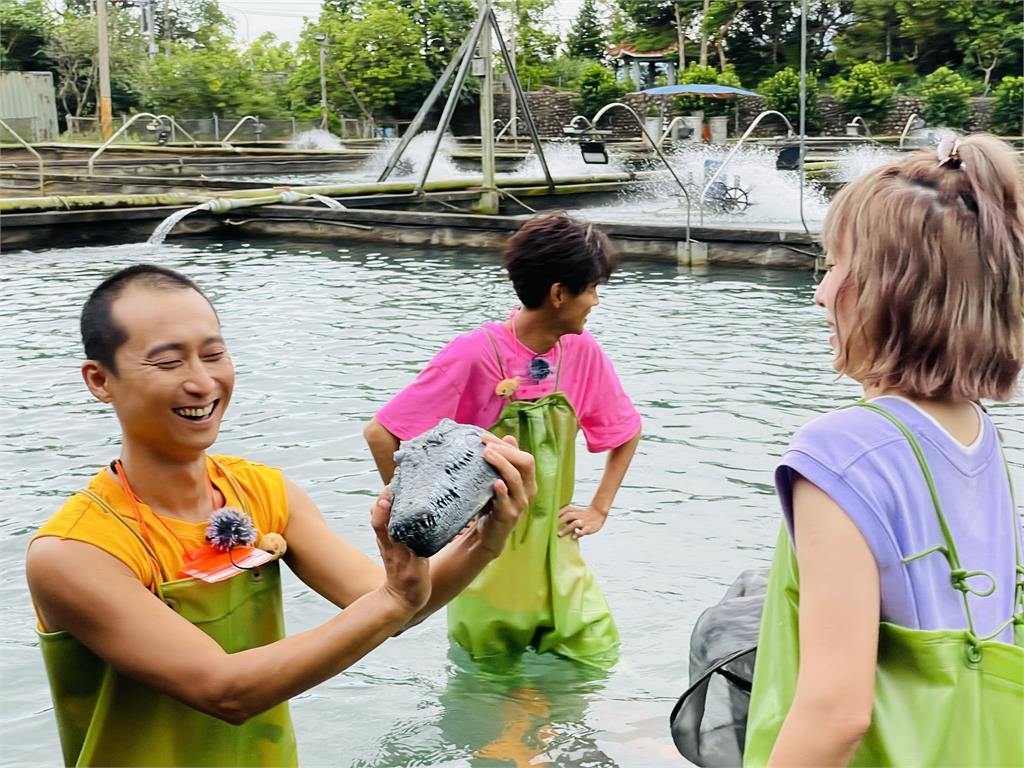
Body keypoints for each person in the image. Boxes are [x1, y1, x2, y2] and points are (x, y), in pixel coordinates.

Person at [25, 264, 537, 767]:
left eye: (213, 354)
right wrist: (393, 599)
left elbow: (394, 607)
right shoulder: (74, 552)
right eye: (168, 363)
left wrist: (487, 537)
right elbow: (225, 691)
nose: (202, 382)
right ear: (99, 379)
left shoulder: (263, 491)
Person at [744, 134, 1024, 767]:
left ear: (889, 290)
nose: (822, 292)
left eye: (836, 266)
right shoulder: (975, 433)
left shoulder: (840, 450)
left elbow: (836, 711)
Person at [364, 212, 642, 664]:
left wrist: (599, 508)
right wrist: (433, 527)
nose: (595, 300)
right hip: (481, 561)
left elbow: (626, 431)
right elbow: (383, 434)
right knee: (492, 689)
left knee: (596, 658)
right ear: (558, 294)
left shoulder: (581, 352)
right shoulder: (475, 354)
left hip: (559, 553)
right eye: (592, 288)